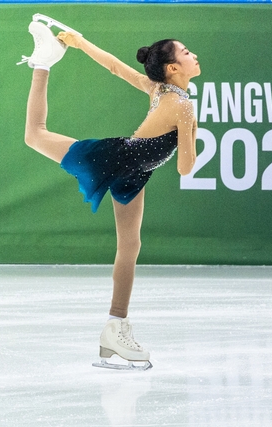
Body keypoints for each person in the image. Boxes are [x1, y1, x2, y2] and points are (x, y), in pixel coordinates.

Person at [19, 16, 200, 368]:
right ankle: (42, 62)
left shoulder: (163, 91)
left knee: (130, 246)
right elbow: (184, 167)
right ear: (174, 68)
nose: (194, 55)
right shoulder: (182, 105)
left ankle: (115, 328)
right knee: (35, 134)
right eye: (187, 52)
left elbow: (116, 67)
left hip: (135, 172)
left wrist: (80, 42)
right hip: (118, 160)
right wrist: (191, 132)